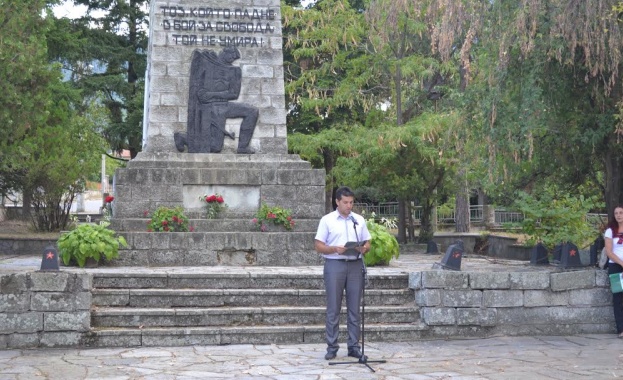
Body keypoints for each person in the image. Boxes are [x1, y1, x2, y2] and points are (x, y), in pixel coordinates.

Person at [314, 186, 372, 360]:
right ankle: (332, 347)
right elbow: (318, 245)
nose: (349, 206)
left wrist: (364, 248)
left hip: (355, 265)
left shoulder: (358, 220)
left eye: (351, 202)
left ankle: (353, 346)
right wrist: (334, 249)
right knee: (334, 307)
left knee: (355, 308)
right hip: (334, 265)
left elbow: (367, 241)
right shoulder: (327, 220)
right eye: (345, 202)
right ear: (337, 202)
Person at [605, 205, 623, 337]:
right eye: (616, 213)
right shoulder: (610, 231)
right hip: (615, 267)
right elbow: (609, 252)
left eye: (621, 213)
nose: (618, 215)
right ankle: (621, 329)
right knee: (617, 298)